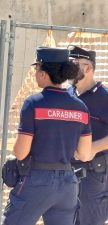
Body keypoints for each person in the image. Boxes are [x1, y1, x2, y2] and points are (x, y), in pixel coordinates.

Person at [2, 47, 92, 225]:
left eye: (36, 69)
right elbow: (84, 154)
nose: (35, 74)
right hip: (68, 184)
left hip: (36, 180)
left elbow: (21, 152)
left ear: (43, 73)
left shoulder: (34, 103)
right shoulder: (80, 107)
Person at [68, 45, 108, 225]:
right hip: (67, 173)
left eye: (75, 63)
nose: (70, 67)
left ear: (88, 68)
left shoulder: (103, 97)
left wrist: (93, 148)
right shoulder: (68, 94)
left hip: (93, 175)